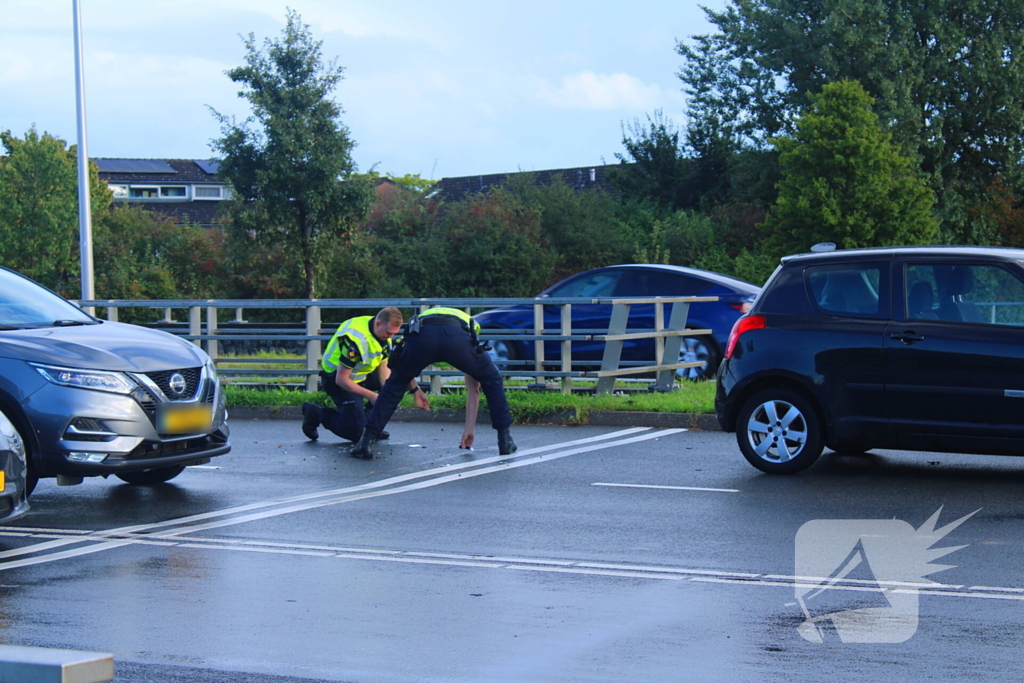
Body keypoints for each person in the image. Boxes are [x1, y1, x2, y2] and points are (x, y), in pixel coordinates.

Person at [351, 307, 516, 459]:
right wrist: (469, 430)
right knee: (492, 380)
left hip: (422, 337)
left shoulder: (421, 319)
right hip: (456, 339)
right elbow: (474, 388)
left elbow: (401, 366)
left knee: (393, 387)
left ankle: (366, 442)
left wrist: (414, 388)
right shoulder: (470, 323)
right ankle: (505, 440)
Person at [302, 307, 429, 443]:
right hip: (337, 380)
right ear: (378, 324)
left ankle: (370, 426)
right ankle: (315, 413)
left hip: (362, 375)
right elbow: (341, 379)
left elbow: (384, 365)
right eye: (388, 333)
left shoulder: (380, 330)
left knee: (396, 384)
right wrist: (373, 396)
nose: (391, 337)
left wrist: (389, 391)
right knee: (356, 434)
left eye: (394, 334)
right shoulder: (355, 341)